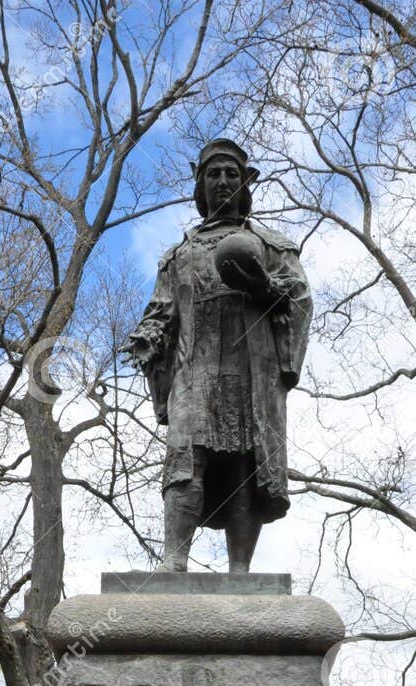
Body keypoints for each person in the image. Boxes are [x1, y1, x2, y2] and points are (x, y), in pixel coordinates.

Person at [126, 138, 313, 571]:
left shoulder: (271, 245)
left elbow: (299, 298)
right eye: (214, 174)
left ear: (246, 183)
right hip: (196, 368)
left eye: (231, 174)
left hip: (251, 367)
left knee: (243, 461)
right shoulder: (178, 255)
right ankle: (174, 559)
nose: (223, 182)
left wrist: (261, 287)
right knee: (186, 454)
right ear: (200, 182)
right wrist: (148, 338)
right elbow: (161, 310)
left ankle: (240, 570)